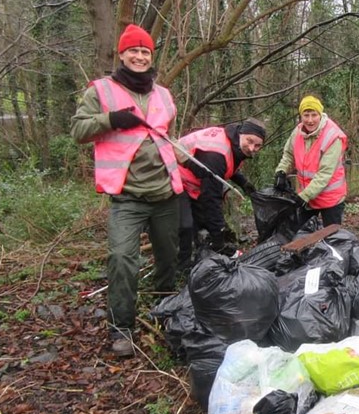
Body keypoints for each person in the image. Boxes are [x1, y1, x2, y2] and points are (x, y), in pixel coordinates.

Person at [71, 24, 182, 357]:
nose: (139, 56)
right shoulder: (101, 91)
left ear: (151, 57)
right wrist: (111, 120)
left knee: (168, 259)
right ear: (122, 54)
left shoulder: (163, 94)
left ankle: (165, 312)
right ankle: (122, 328)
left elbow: (166, 135)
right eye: (133, 50)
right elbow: (78, 129)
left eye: (145, 51)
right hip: (127, 196)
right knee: (122, 259)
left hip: (165, 192)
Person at [176, 118, 265, 272]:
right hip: (175, 178)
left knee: (200, 223)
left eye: (257, 145)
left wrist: (243, 182)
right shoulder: (216, 153)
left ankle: (197, 256)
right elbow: (211, 199)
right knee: (187, 225)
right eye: (250, 141)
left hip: (195, 181)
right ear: (241, 133)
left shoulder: (233, 142)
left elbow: (228, 164)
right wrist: (219, 241)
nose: (252, 148)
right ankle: (183, 268)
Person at [273, 95, 348, 226]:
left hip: (330, 198)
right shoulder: (297, 132)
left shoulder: (333, 137)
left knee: (332, 239)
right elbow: (288, 154)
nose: (310, 120)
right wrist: (281, 171)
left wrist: (304, 196)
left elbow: (325, 173)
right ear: (301, 116)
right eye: (306, 115)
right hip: (307, 197)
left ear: (320, 115)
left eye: (314, 115)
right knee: (302, 236)